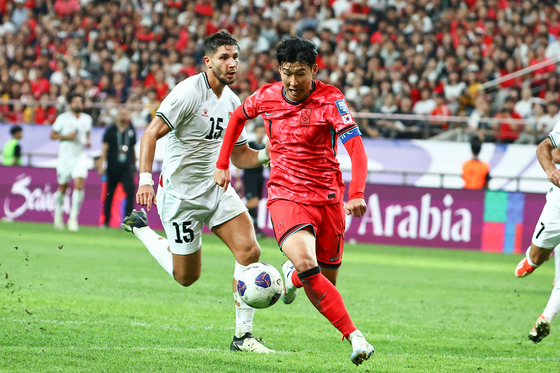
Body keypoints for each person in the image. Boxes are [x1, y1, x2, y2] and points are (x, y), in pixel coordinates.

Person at [214, 36, 374, 366]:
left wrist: (356, 193)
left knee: (321, 282)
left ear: (314, 70)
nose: (292, 81)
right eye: (287, 72)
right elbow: (236, 119)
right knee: (307, 263)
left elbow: (357, 151)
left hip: (328, 199)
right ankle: (355, 338)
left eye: (300, 73)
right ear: (279, 70)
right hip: (286, 196)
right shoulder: (266, 96)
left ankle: (290, 277)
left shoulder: (331, 100)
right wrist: (221, 164)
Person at [120, 30, 273, 353]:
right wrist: (145, 179)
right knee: (186, 277)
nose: (232, 64)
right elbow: (150, 134)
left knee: (250, 251)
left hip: (216, 189)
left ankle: (242, 337)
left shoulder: (233, 102)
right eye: (224, 58)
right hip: (181, 198)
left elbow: (238, 156)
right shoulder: (188, 92)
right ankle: (142, 229)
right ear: (208, 62)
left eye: (235, 57)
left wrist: (265, 154)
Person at [516, 127, 560, 343]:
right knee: (536, 256)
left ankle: (545, 318)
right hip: (558, 204)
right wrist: (551, 169)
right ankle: (532, 260)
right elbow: (546, 148)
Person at [50, 93, 92, 232]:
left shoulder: (87, 119)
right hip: (65, 157)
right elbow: (52, 135)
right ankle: (58, 213)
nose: (78, 104)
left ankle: (73, 218)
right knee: (63, 187)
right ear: (70, 104)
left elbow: (88, 134)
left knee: (79, 184)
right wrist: (66, 136)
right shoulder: (62, 118)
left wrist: (88, 141)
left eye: (80, 102)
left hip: (80, 156)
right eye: (75, 102)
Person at [98, 108, 137, 228]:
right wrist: (101, 164)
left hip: (126, 168)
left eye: (125, 113)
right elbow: (105, 148)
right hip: (113, 168)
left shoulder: (131, 130)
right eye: (121, 113)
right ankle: (106, 222)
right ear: (117, 116)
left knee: (130, 192)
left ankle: (128, 222)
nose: (123, 115)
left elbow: (133, 149)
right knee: (109, 194)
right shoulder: (111, 130)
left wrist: (134, 165)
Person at [241, 124, 266, 238]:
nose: (261, 134)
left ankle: (252, 227)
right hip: (249, 176)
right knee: (253, 201)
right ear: (255, 132)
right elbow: (240, 160)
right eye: (259, 131)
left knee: (255, 202)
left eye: (263, 132)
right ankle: (254, 228)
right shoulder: (249, 145)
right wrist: (237, 178)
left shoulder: (265, 147)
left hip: (259, 177)